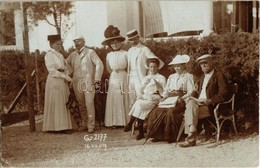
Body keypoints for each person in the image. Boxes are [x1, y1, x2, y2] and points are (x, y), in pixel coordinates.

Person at [179, 54, 231, 147]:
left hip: (211, 106)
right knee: (190, 103)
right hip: (198, 104)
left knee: (189, 111)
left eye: (205, 63)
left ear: (211, 63)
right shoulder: (202, 77)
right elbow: (197, 92)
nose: (203, 65)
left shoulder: (218, 75)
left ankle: (191, 137)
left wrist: (210, 100)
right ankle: (192, 130)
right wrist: (190, 96)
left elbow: (224, 93)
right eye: (201, 64)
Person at [147, 54, 195, 143]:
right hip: (170, 98)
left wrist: (182, 98)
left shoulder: (188, 76)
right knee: (156, 110)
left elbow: (191, 91)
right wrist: (163, 97)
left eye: (179, 66)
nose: (177, 68)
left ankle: (171, 136)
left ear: (184, 65)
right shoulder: (171, 77)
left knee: (171, 111)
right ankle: (157, 135)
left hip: (181, 100)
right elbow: (167, 90)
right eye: (175, 66)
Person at [66, 36, 104, 133]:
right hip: (76, 82)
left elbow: (99, 64)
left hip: (88, 81)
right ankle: (85, 123)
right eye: (75, 41)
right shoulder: (73, 54)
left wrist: (97, 79)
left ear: (83, 41)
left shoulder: (90, 52)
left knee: (89, 103)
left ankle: (91, 125)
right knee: (81, 104)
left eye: (78, 41)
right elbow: (65, 63)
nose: (76, 43)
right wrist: (71, 73)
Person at [124, 57, 165, 140]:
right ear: (149, 68)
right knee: (139, 103)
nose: (153, 69)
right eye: (151, 67)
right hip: (146, 97)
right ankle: (140, 131)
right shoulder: (146, 78)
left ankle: (132, 123)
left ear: (158, 67)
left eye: (155, 67)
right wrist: (145, 84)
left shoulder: (161, 77)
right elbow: (141, 91)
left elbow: (163, 91)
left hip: (155, 98)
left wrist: (156, 83)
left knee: (139, 105)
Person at [42, 34, 73, 133]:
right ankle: (56, 127)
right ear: (51, 44)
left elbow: (65, 67)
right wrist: (65, 77)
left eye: (60, 44)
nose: (59, 46)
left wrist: (67, 74)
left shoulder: (60, 55)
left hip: (62, 80)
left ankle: (63, 125)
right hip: (54, 80)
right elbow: (52, 70)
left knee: (62, 102)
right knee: (57, 102)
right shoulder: (49, 55)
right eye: (57, 44)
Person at [102, 25, 129, 127]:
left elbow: (129, 67)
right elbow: (108, 68)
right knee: (115, 98)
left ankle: (125, 121)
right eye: (112, 43)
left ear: (120, 42)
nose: (114, 44)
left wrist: (123, 74)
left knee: (123, 97)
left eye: (116, 42)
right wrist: (114, 74)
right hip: (114, 76)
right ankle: (114, 122)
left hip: (123, 76)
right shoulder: (109, 55)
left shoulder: (126, 53)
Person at [127, 29, 161, 108]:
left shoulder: (144, 49)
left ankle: (142, 119)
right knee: (132, 98)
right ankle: (134, 119)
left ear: (138, 38)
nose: (133, 41)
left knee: (141, 96)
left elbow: (155, 60)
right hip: (131, 77)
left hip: (140, 77)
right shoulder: (129, 51)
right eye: (131, 39)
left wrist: (151, 73)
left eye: (135, 38)